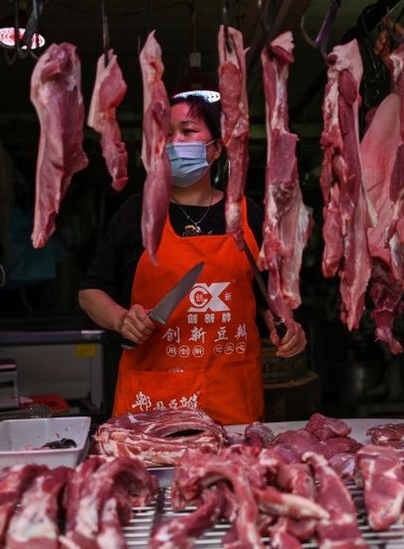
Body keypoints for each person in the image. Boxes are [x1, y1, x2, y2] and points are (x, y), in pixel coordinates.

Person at [78, 91, 306, 425]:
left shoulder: (246, 214)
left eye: (187, 131)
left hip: (231, 407)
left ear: (215, 147)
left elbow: (269, 300)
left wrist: (287, 328)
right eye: (167, 134)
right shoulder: (137, 213)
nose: (175, 142)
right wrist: (121, 319)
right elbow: (89, 292)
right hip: (152, 409)